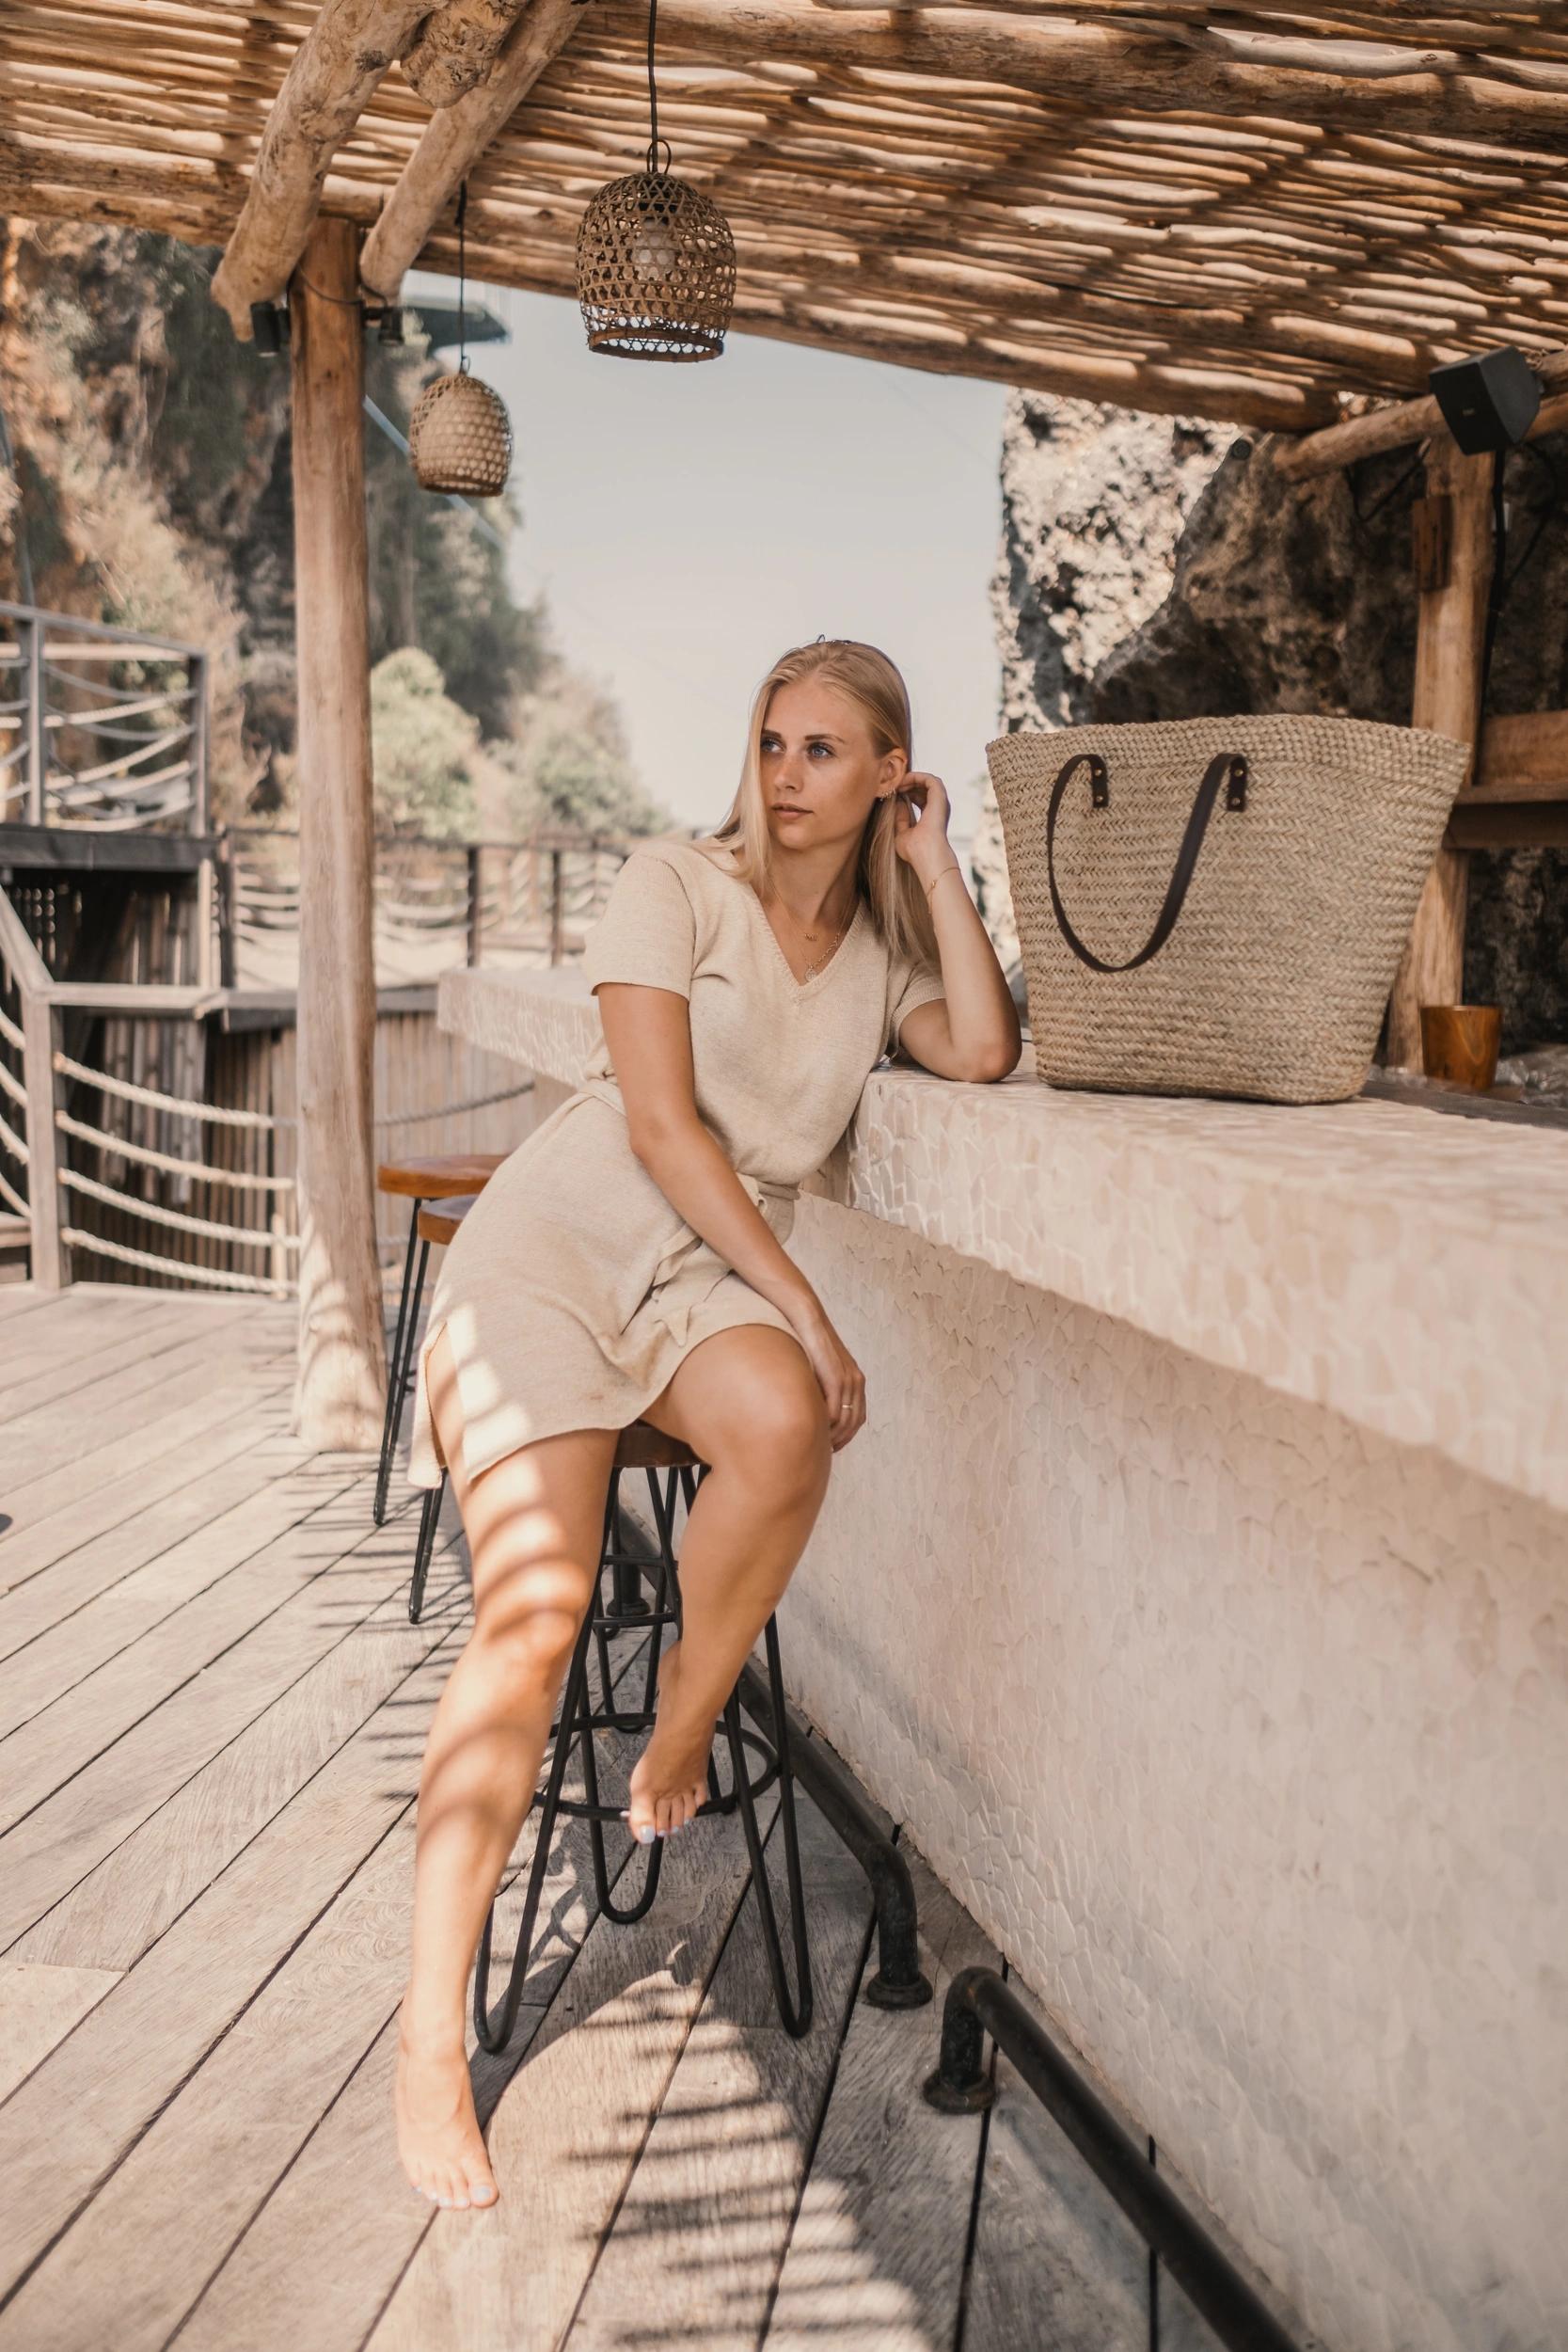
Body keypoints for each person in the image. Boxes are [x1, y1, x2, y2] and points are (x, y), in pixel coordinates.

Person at [394, 637, 1022, 2210]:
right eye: (774, 741)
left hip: (692, 1290)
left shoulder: (878, 960)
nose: (788, 774)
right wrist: (811, 1306)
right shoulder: (672, 882)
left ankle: (688, 1709)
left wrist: (937, 866)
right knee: (532, 1624)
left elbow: (990, 1048)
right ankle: (425, 2038)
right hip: (563, 1253)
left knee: (788, 1428)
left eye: (828, 751)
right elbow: (664, 1128)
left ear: (889, 771)